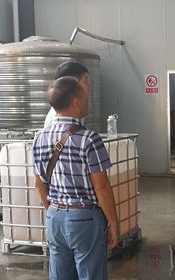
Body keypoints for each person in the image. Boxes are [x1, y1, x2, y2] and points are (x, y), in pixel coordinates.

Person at [33, 76, 118, 280]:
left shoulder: (39, 136)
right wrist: (114, 223)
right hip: (84, 219)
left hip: (54, 217)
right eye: (85, 96)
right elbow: (101, 187)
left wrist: (54, 210)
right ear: (76, 102)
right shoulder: (89, 139)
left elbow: (38, 183)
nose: (88, 100)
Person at [44, 61, 90, 126]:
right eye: (85, 81)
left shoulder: (74, 111)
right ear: (73, 83)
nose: (89, 85)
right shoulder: (57, 118)